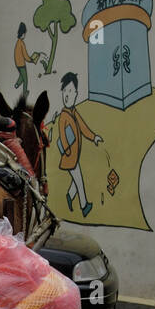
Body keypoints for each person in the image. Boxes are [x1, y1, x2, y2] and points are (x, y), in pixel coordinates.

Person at [52, 71, 103, 218]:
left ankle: (69, 196)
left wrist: (94, 138)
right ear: (62, 93)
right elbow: (62, 135)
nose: (67, 95)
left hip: (74, 156)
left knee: (76, 180)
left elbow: (83, 128)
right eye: (65, 91)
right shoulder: (64, 116)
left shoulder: (74, 113)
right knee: (79, 181)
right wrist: (67, 150)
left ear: (76, 93)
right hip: (70, 157)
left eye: (71, 91)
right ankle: (84, 205)